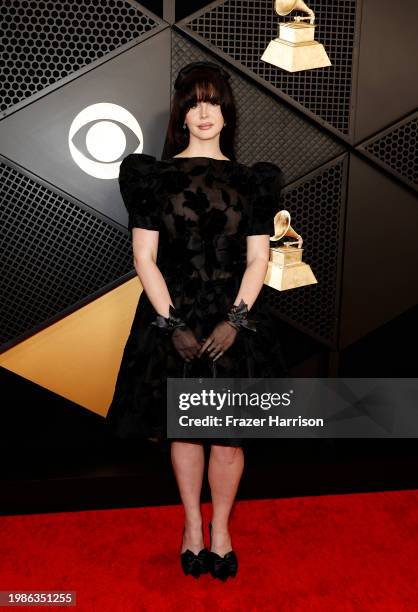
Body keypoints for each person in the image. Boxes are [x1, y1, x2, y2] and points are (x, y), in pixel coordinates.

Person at [106, 60, 289, 581]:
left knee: (228, 436)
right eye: (193, 103)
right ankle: (192, 527)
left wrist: (236, 319)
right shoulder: (151, 177)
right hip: (173, 314)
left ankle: (222, 530)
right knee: (184, 432)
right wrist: (171, 325)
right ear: (182, 115)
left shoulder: (254, 180)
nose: (203, 112)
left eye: (212, 102)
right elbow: (144, 257)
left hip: (237, 318)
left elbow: (259, 260)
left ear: (226, 113)